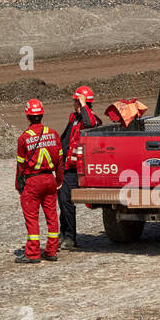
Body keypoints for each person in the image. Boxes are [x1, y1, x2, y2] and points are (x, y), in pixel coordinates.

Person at [15, 98, 62, 264]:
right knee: (52, 217)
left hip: (33, 182)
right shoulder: (54, 133)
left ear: (28, 116)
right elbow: (59, 161)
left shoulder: (23, 139)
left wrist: (18, 186)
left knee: (32, 218)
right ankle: (51, 251)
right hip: (50, 179)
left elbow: (20, 166)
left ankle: (33, 253)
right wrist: (59, 180)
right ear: (41, 114)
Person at [58, 85, 101, 250]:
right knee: (63, 202)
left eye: (75, 101)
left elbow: (90, 123)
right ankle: (64, 234)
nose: (73, 103)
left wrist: (83, 105)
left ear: (81, 101)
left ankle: (69, 237)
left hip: (76, 169)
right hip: (66, 166)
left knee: (66, 201)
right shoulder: (74, 118)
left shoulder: (91, 119)